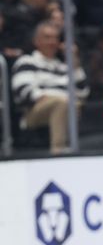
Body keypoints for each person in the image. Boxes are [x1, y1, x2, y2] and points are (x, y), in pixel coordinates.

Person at [11, 21, 89, 153]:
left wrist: (74, 61)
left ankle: (78, 149)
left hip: (67, 106)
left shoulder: (64, 66)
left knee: (71, 104)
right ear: (36, 41)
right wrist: (49, 98)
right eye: (47, 37)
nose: (52, 42)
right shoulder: (27, 61)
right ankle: (58, 151)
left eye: (55, 38)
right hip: (34, 112)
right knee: (63, 103)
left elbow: (82, 92)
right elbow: (23, 91)